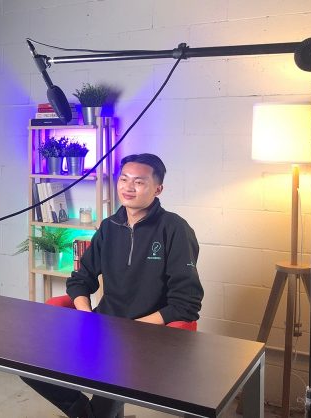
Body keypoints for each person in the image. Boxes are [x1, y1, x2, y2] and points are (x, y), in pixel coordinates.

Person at [21, 153, 204, 418]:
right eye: (124, 179)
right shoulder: (109, 226)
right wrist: (86, 316)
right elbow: (81, 279)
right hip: (104, 328)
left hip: (148, 335)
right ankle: (86, 412)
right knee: (26, 358)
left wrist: (131, 327)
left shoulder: (174, 229)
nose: (128, 187)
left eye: (139, 182)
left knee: (112, 372)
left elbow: (186, 303)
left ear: (158, 188)